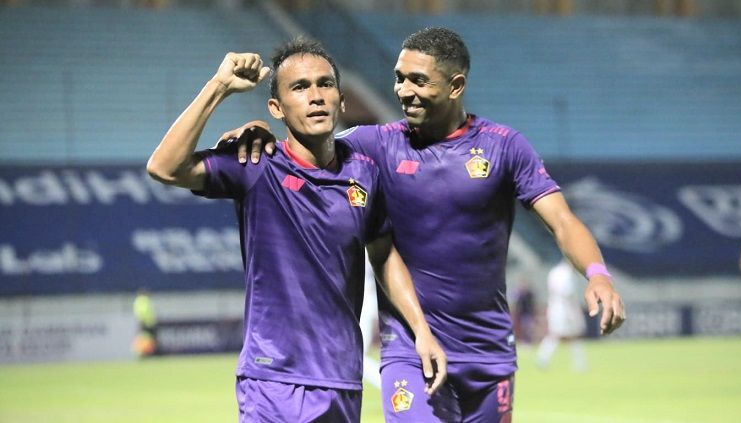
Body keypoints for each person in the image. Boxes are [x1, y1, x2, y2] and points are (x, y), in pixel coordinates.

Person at [222, 27, 626, 422]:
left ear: (455, 86)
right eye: (399, 78)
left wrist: (597, 274)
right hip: (410, 348)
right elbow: (304, 144)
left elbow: (561, 219)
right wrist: (259, 130)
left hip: (488, 350)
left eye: (417, 80)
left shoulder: (504, 147)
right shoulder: (373, 145)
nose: (402, 90)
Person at [146, 38, 446, 422]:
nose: (316, 96)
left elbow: (384, 253)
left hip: (341, 380)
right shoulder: (256, 165)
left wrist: (421, 330)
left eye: (324, 85)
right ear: (276, 108)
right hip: (272, 379)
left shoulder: (365, 175)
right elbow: (165, 167)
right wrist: (218, 86)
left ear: (341, 99)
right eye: (300, 88)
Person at [535, 259, 588, 371]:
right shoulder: (567, 274)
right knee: (571, 335)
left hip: (554, 307)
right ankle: (578, 364)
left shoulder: (554, 271)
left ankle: (542, 358)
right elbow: (567, 294)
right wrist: (573, 312)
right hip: (565, 308)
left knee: (557, 335)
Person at [132, 288, 157, 357]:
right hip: (146, 323)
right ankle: (146, 353)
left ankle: (143, 353)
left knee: (143, 339)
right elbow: (144, 312)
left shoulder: (137, 301)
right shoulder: (144, 300)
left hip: (143, 323)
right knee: (148, 339)